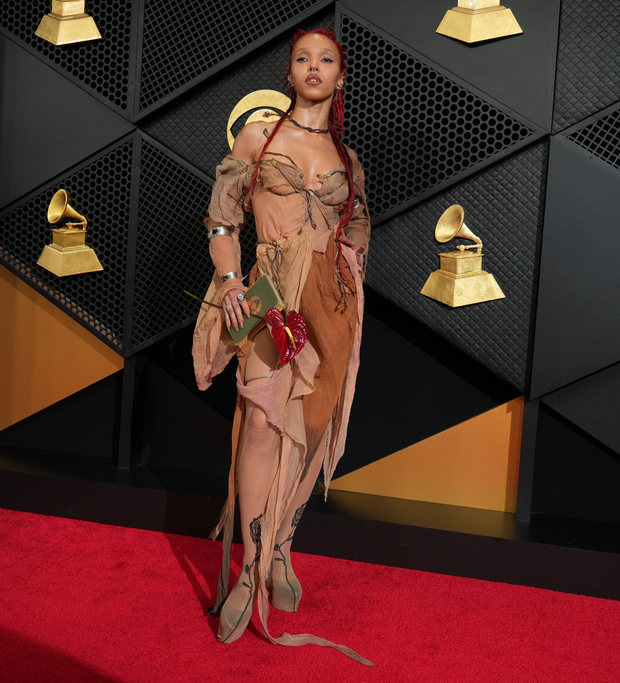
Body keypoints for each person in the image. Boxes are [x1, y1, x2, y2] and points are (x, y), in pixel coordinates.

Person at [190, 28, 372, 665]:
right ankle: (248, 567)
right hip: (269, 296)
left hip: (331, 306)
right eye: (303, 59)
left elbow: (357, 233)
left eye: (327, 60)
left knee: (313, 429)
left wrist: (343, 277)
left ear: (339, 78)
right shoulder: (260, 138)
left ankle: (282, 549)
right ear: (289, 73)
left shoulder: (349, 162)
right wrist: (233, 279)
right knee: (263, 426)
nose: (314, 68)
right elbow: (220, 218)